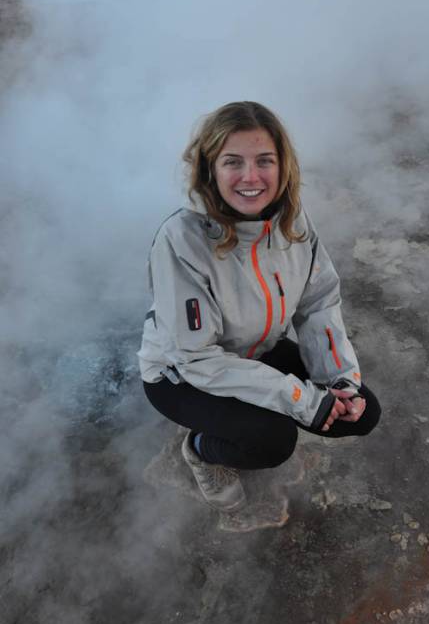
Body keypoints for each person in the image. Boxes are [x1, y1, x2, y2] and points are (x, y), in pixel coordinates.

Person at [138, 101, 381, 516]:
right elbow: (195, 356)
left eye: (264, 161)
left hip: (252, 351)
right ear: (209, 168)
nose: (251, 177)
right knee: (273, 440)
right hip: (180, 374)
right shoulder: (182, 240)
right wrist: (303, 399)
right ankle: (199, 448)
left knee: (360, 412)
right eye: (233, 162)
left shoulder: (291, 220)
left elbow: (318, 301)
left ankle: (236, 418)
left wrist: (338, 380)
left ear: (283, 165)